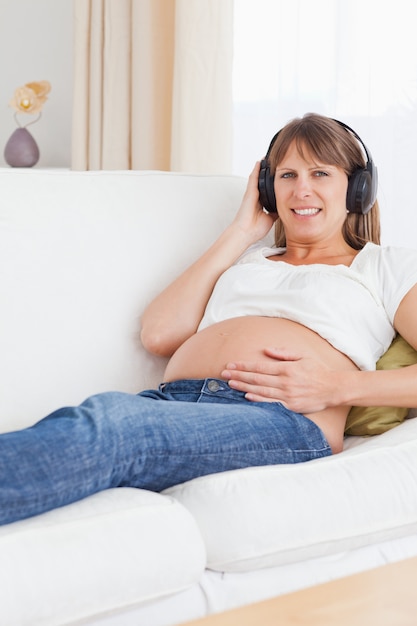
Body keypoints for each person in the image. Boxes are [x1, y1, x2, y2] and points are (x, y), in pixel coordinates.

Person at [1, 113, 417, 526]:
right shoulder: (248, 260)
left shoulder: (383, 266)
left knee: (113, 423)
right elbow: (158, 333)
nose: (301, 189)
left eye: (320, 173)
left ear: (358, 188)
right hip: (175, 403)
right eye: (287, 175)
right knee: (90, 419)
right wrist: (240, 232)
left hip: (283, 421)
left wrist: (338, 387)